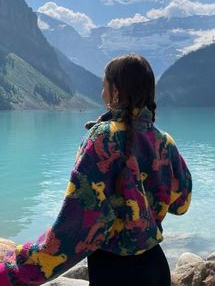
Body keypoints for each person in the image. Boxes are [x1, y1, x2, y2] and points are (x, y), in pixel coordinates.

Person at [0, 53, 192, 286]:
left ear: (117, 91)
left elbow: (74, 226)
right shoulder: (165, 141)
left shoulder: (103, 138)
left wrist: (13, 269)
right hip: (156, 268)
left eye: (104, 86)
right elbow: (181, 204)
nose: (102, 94)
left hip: (114, 272)